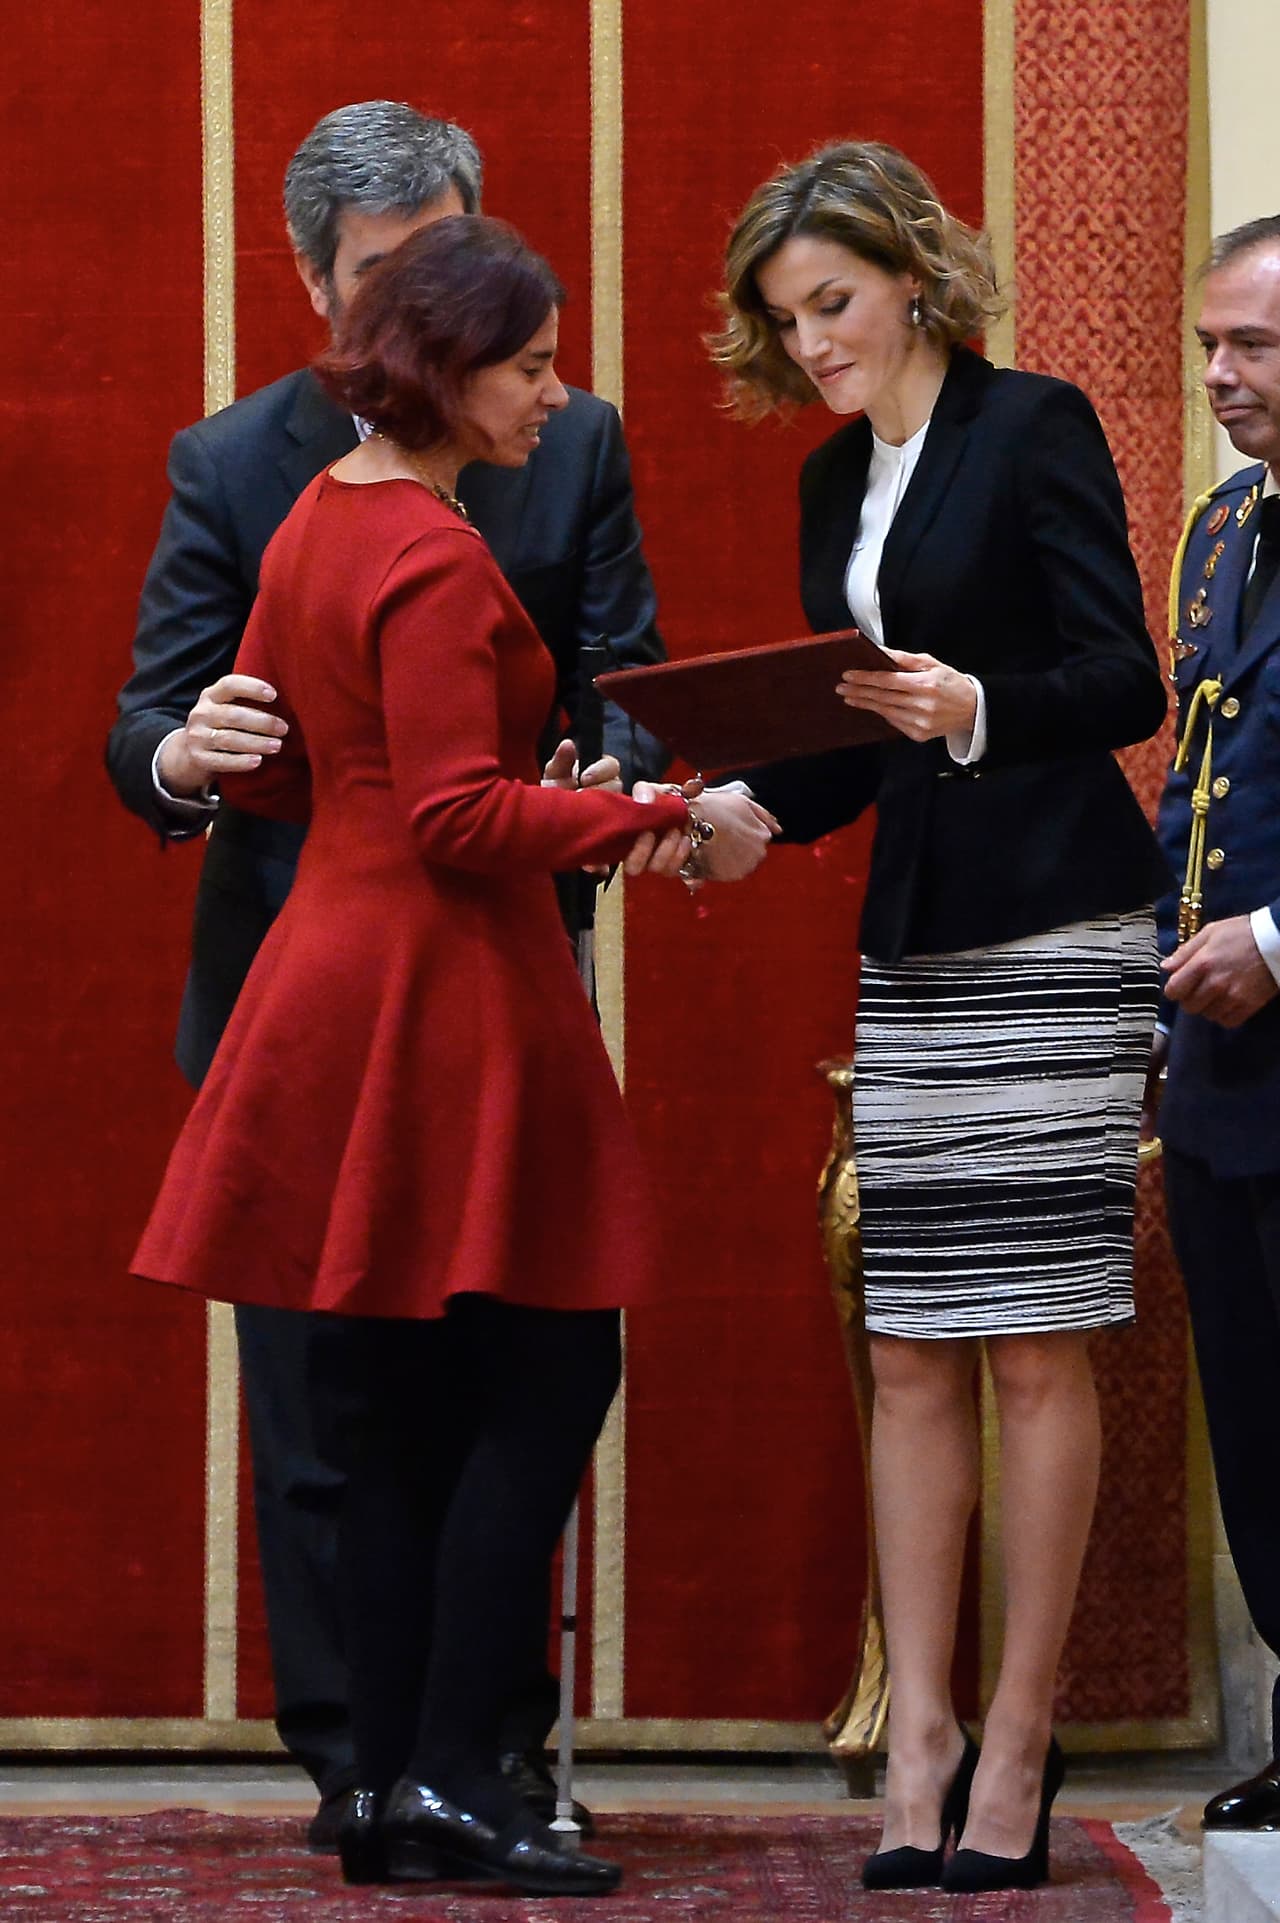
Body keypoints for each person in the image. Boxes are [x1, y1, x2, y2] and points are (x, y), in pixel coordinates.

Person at [131, 214, 776, 1893]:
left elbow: (273, 766)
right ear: (443, 370)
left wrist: (423, 786)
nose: (558, 396)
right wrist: (653, 809)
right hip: (443, 994)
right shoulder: (425, 551)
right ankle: (451, 1780)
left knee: (394, 1406)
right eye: (534, 365)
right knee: (552, 1372)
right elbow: (457, 812)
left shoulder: (316, 524)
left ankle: (402, 1790)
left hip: (329, 981)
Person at [707, 140, 1169, 1893]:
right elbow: (851, 733)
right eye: (787, 319)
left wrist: (978, 704)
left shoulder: (1032, 419)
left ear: (913, 276)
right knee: (911, 1346)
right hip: (914, 937)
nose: (815, 343)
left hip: (1056, 922)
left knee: (1035, 1338)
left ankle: (1023, 1740)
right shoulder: (838, 481)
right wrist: (742, 809)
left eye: (833, 303)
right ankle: (923, 1736)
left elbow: (1120, 674)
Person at [1146, 214, 1280, 1832]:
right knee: (1251, 1405)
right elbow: (1200, 784)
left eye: (1252, 347)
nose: (1223, 378)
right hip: (1221, 1067)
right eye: (1209, 350)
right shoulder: (1221, 529)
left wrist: (1276, 937)